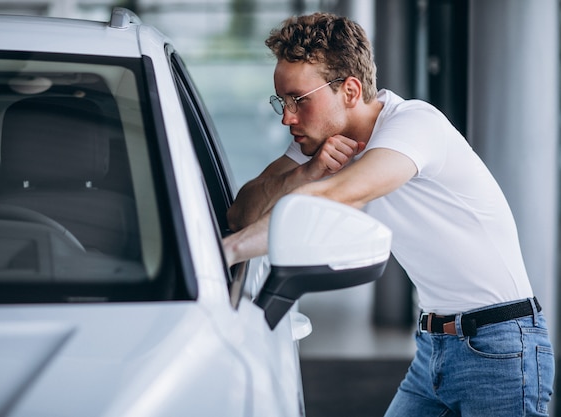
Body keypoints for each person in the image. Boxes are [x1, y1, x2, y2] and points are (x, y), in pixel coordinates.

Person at [222, 12, 555, 417]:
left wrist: (224, 255)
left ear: (349, 90)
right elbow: (242, 211)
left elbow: (335, 196)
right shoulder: (324, 142)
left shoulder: (414, 125)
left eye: (300, 100)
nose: (287, 117)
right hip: (434, 345)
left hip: (498, 345)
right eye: (283, 101)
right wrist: (305, 171)